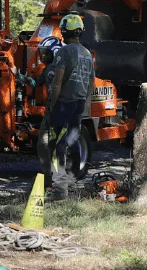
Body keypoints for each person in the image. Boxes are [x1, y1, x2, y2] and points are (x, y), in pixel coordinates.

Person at [45, 13, 94, 182]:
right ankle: (72, 178)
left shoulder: (64, 52)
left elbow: (57, 82)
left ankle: (58, 183)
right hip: (79, 104)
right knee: (72, 140)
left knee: (57, 143)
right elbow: (91, 83)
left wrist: (52, 105)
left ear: (65, 32)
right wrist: (84, 103)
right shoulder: (87, 54)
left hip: (64, 104)